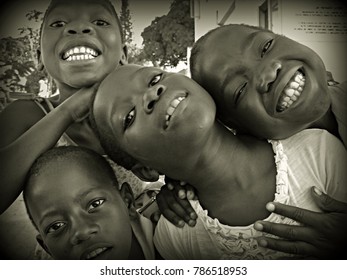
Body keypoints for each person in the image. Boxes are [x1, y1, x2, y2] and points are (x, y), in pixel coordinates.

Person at [91, 64, 347, 259]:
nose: (152, 93)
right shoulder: (176, 236)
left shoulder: (318, 152)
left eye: (156, 78)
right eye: (129, 117)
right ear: (146, 169)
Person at [0, 0, 146, 259]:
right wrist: (68, 111)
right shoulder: (27, 114)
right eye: (59, 24)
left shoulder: (146, 109)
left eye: (99, 22)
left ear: (123, 53)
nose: (79, 28)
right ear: (39, 58)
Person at [189, 24, 347, 148]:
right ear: (243, 130)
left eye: (266, 46)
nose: (269, 73)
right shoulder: (281, 182)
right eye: (240, 89)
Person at [23, 146, 157, 260]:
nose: (82, 232)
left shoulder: (171, 236)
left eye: (95, 204)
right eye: (56, 226)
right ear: (46, 248)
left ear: (127, 202)